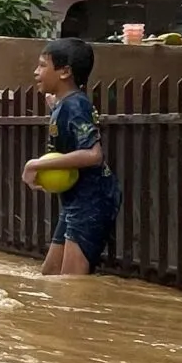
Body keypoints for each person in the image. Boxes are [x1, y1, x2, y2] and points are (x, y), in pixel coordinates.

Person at [26, 36, 117, 276]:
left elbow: (93, 154)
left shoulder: (75, 105)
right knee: (49, 276)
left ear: (65, 72)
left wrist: (35, 164)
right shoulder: (66, 105)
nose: (36, 72)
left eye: (43, 65)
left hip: (91, 201)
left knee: (70, 285)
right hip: (75, 201)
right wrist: (55, 105)